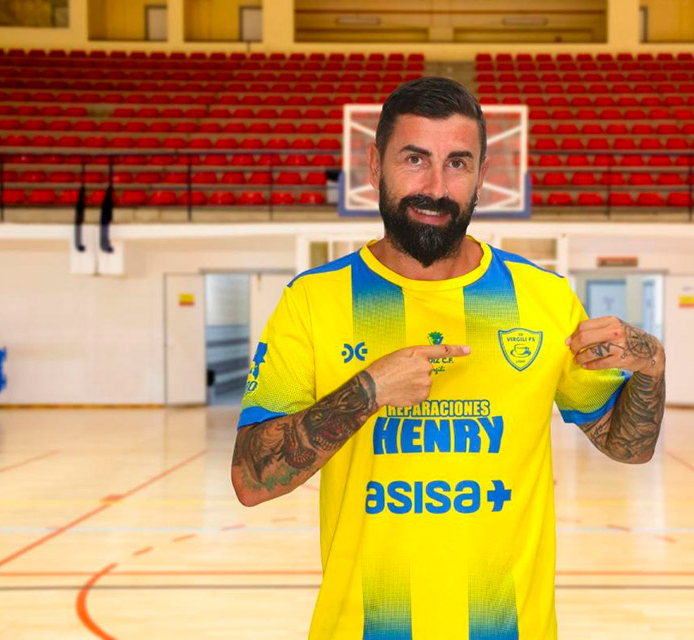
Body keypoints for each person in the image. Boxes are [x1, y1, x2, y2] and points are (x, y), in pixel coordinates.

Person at [231, 76, 666, 639]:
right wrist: (367, 392)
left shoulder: (544, 298)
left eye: (457, 163)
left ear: (482, 176)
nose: (436, 187)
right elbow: (251, 479)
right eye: (415, 159)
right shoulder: (314, 300)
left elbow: (628, 446)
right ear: (374, 166)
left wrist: (651, 365)